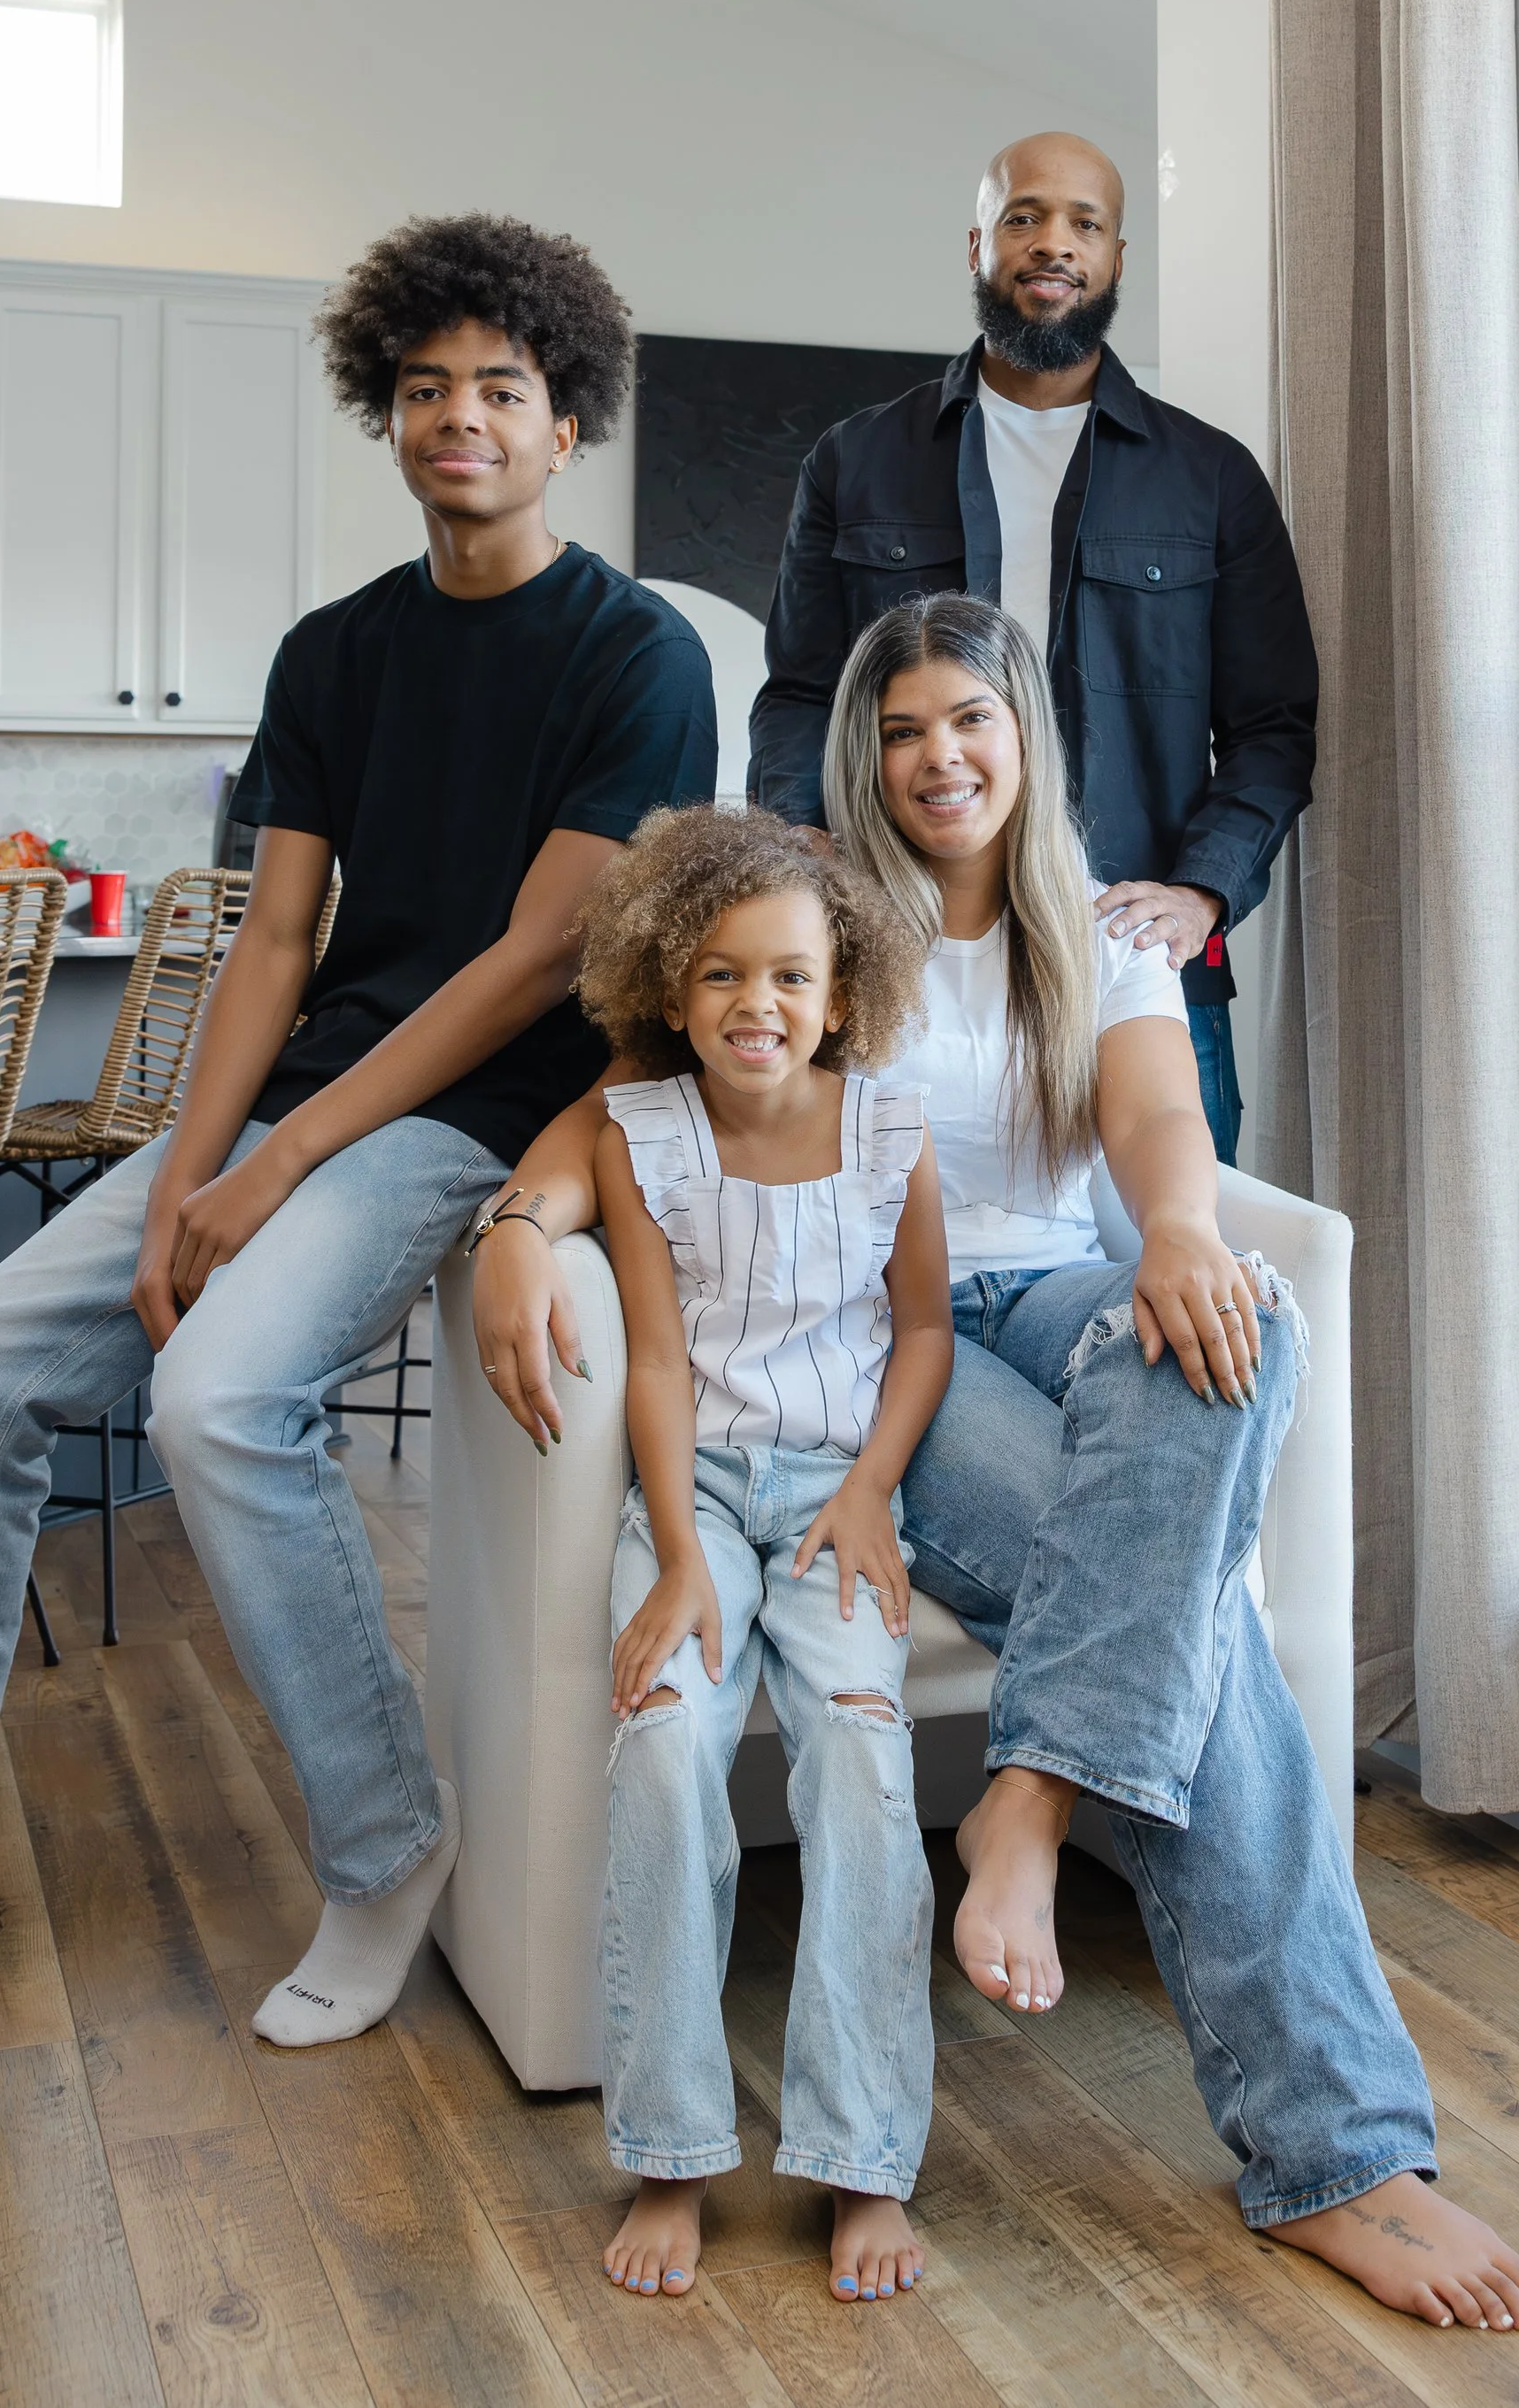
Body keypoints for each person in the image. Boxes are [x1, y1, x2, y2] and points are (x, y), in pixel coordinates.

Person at [0, 212, 716, 2046]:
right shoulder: (333, 652)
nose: (458, 417)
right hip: (303, 1097)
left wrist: (283, 1162)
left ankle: (386, 1849)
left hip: (476, 1126)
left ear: (567, 425)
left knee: (213, 1405)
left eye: (502, 390)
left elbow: (547, 953)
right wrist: (178, 1175)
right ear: (385, 418)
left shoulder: (635, 655)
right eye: (422, 388)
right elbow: (276, 941)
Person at [475, 598, 1519, 2338]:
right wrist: (522, 1223)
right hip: (885, 1350)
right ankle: (1344, 2157)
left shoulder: (1101, 929)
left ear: (1021, 734)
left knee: (1246, 1325)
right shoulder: (813, 912)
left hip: (1053, 1295)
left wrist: (1185, 1232)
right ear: (864, 752)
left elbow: (1147, 1126)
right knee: (1201, 1651)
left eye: (968, 718)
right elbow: (634, 1092)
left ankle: (1029, 1796)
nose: (937, 755)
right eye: (901, 727)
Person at [746, 130, 1316, 1161]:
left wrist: (1200, 891)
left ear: (1114, 258)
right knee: (873, 1274)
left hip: (1131, 961)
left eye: (1083, 223)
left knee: (1179, 1257)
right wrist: (802, 841)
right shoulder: (856, 460)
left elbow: (1274, 726)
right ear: (979, 244)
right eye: (1023, 217)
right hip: (895, 954)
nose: (1052, 243)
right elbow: (799, 692)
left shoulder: (1211, 478)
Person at [563, 804, 952, 2309]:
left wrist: (869, 1489)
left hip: (841, 1495)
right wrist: (673, 1558)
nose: (757, 1007)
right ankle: (672, 2149)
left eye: (789, 978)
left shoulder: (888, 1132)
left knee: (859, 1758)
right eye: (723, 977)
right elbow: (656, 1367)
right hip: (703, 1501)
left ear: (840, 993)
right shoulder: (638, 1137)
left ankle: (866, 2162)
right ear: (672, 990)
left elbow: (920, 1330)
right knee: (664, 1748)